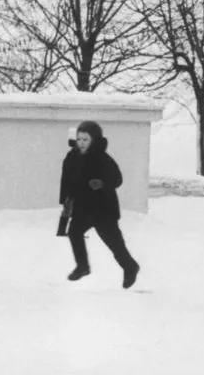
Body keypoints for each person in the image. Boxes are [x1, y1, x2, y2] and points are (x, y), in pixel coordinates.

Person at [58, 119, 139, 288]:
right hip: (82, 207)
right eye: (79, 139)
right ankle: (82, 266)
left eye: (85, 139)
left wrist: (102, 183)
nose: (81, 143)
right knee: (74, 232)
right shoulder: (71, 156)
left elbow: (117, 179)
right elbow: (66, 179)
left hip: (103, 208)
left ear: (93, 140)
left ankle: (130, 267)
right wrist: (65, 199)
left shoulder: (102, 158)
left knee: (113, 242)